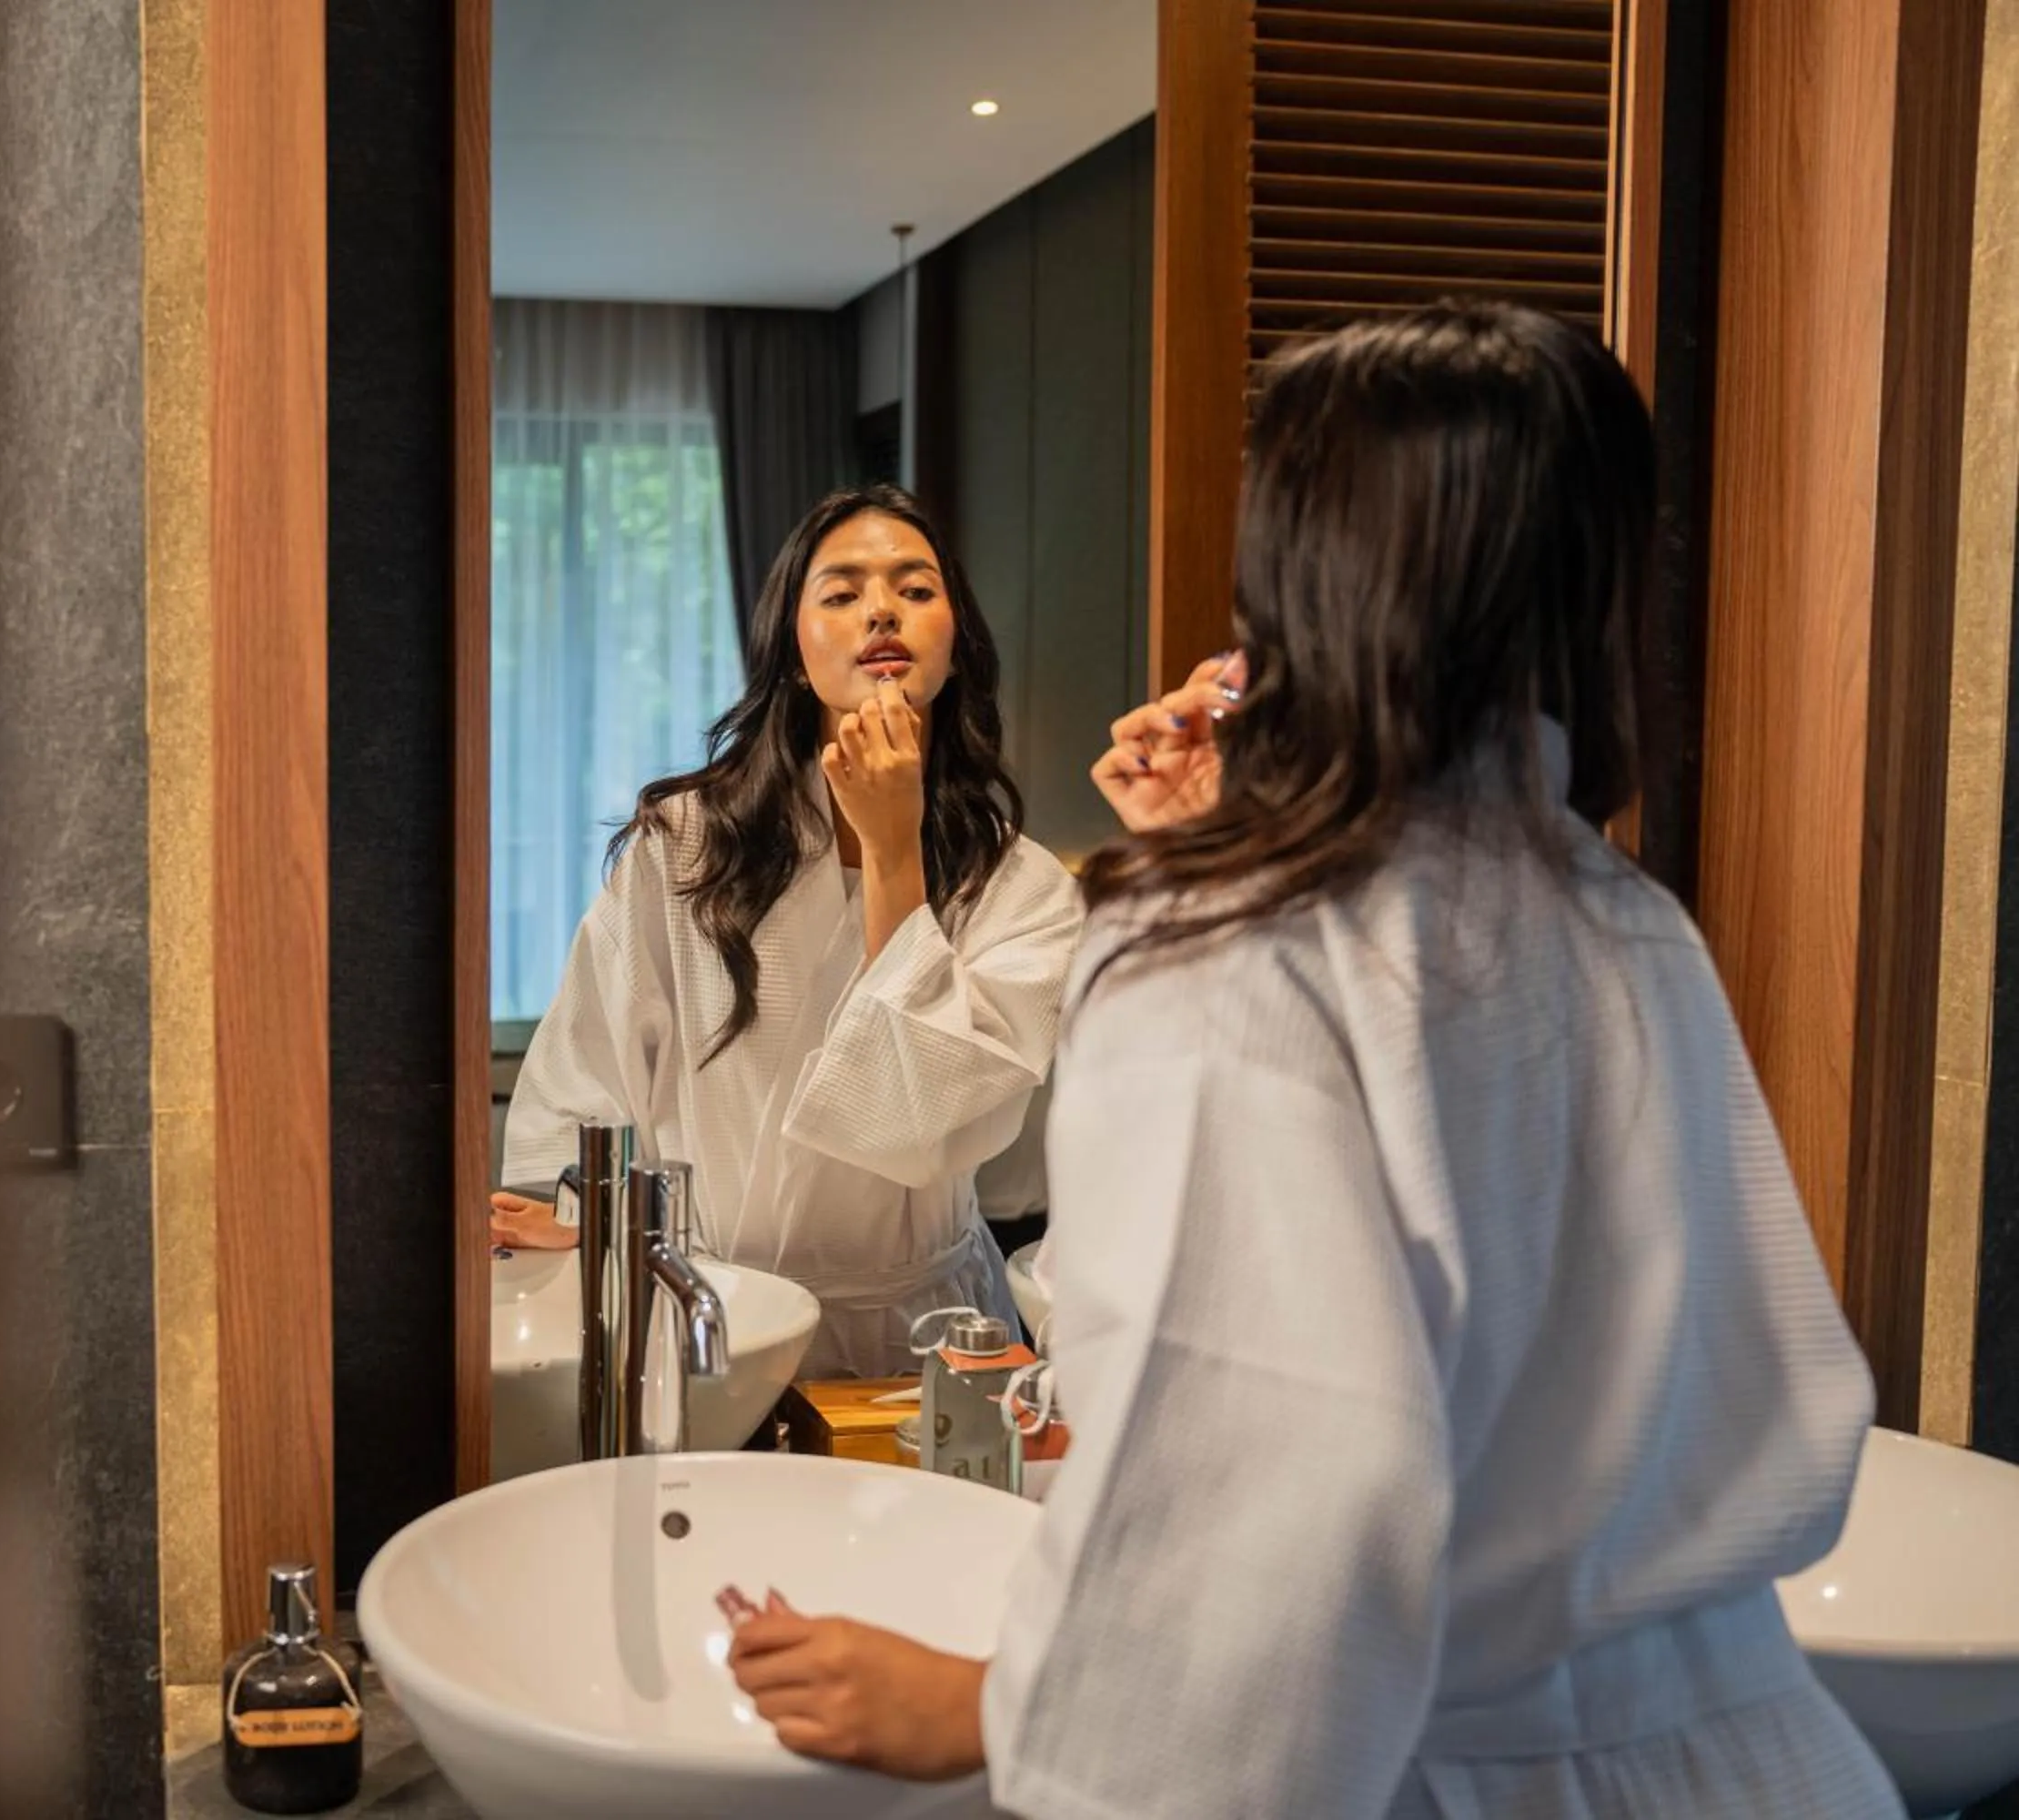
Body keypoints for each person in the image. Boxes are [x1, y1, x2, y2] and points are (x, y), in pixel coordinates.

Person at [727, 304, 1897, 1816]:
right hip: (1758, 1761)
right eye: (844, 588)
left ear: (1309, 570)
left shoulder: (1205, 943)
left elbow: (1277, 1506)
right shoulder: (1624, 921)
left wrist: (998, 1707)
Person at [493, 483, 1084, 1378]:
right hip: (714, 1314)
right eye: (841, 592)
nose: (881, 607)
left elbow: (909, 1119)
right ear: (793, 652)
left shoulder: (1022, 886)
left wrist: (893, 850)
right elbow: (588, 1073)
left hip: (920, 1339)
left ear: (955, 644)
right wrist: (583, 1213)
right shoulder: (687, 847)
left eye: (916, 590)